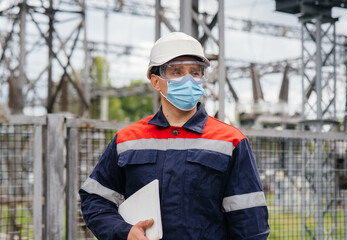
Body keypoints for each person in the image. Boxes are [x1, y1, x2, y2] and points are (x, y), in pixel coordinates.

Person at [79, 31, 270, 240]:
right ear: (155, 81)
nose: (188, 79)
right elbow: (95, 199)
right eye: (176, 71)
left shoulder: (230, 141)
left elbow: (251, 226)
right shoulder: (127, 140)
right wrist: (124, 233)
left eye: (195, 72)